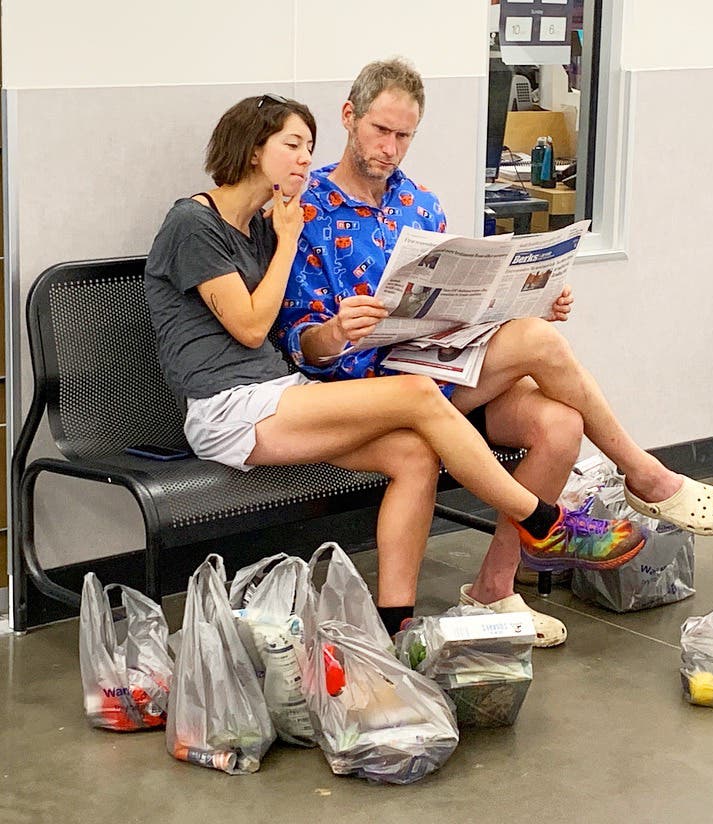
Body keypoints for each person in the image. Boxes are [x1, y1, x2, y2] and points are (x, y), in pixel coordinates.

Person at [275, 59, 713, 648]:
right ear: (349, 118)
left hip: (439, 371)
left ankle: (494, 587)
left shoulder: (420, 205)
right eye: (380, 131)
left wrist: (529, 298)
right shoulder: (309, 208)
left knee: (559, 420)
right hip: (366, 394)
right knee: (538, 348)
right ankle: (644, 472)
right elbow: (300, 346)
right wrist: (340, 330)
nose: (391, 149)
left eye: (405, 136)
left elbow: (455, 310)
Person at [143, 93, 651, 638]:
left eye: (309, 148)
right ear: (250, 149)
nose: (303, 160)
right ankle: (544, 522)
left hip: (277, 394)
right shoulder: (193, 222)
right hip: (226, 409)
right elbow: (248, 326)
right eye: (292, 145)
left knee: (414, 453)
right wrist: (291, 242)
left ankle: (395, 627)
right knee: (417, 396)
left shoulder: (263, 226)